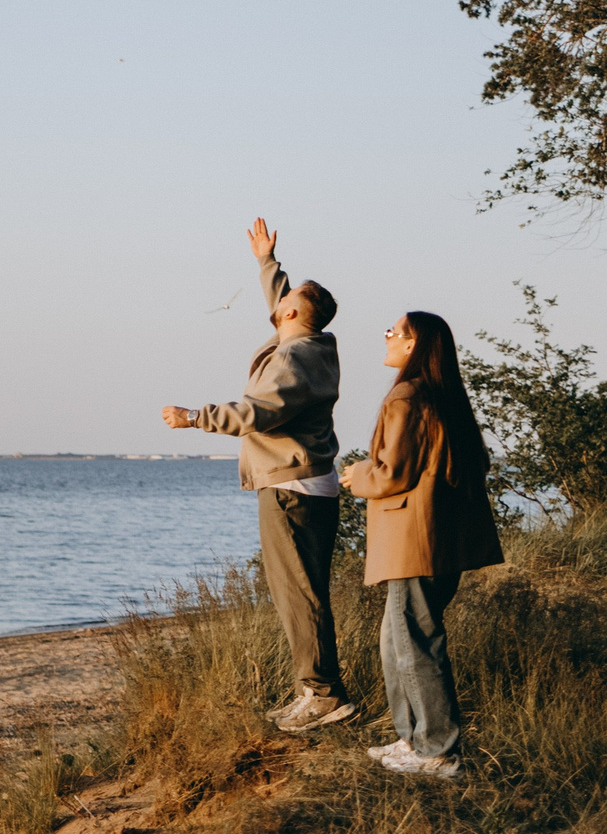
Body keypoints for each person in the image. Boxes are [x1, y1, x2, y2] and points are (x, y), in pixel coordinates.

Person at [159, 219, 352, 731]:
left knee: (298, 594)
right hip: (306, 481)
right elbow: (287, 302)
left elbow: (256, 413)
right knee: (300, 591)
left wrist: (194, 417)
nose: (279, 301)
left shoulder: (293, 358)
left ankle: (324, 695)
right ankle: (311, 688)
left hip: (290, 487)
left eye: (286, 299)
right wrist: (267, 263)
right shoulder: (313, 345)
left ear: (290, 313)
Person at [340, 311, 503, 779]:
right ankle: (413, 738)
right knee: (398, 641)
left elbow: (393, 473)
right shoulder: (443, 396)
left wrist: (356, 476)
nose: (387, 336)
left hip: (414, 539)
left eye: (394, 331)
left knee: (412, 644)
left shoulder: (406, 397)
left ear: (414, 345)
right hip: (437, 539)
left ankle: (436, 750)